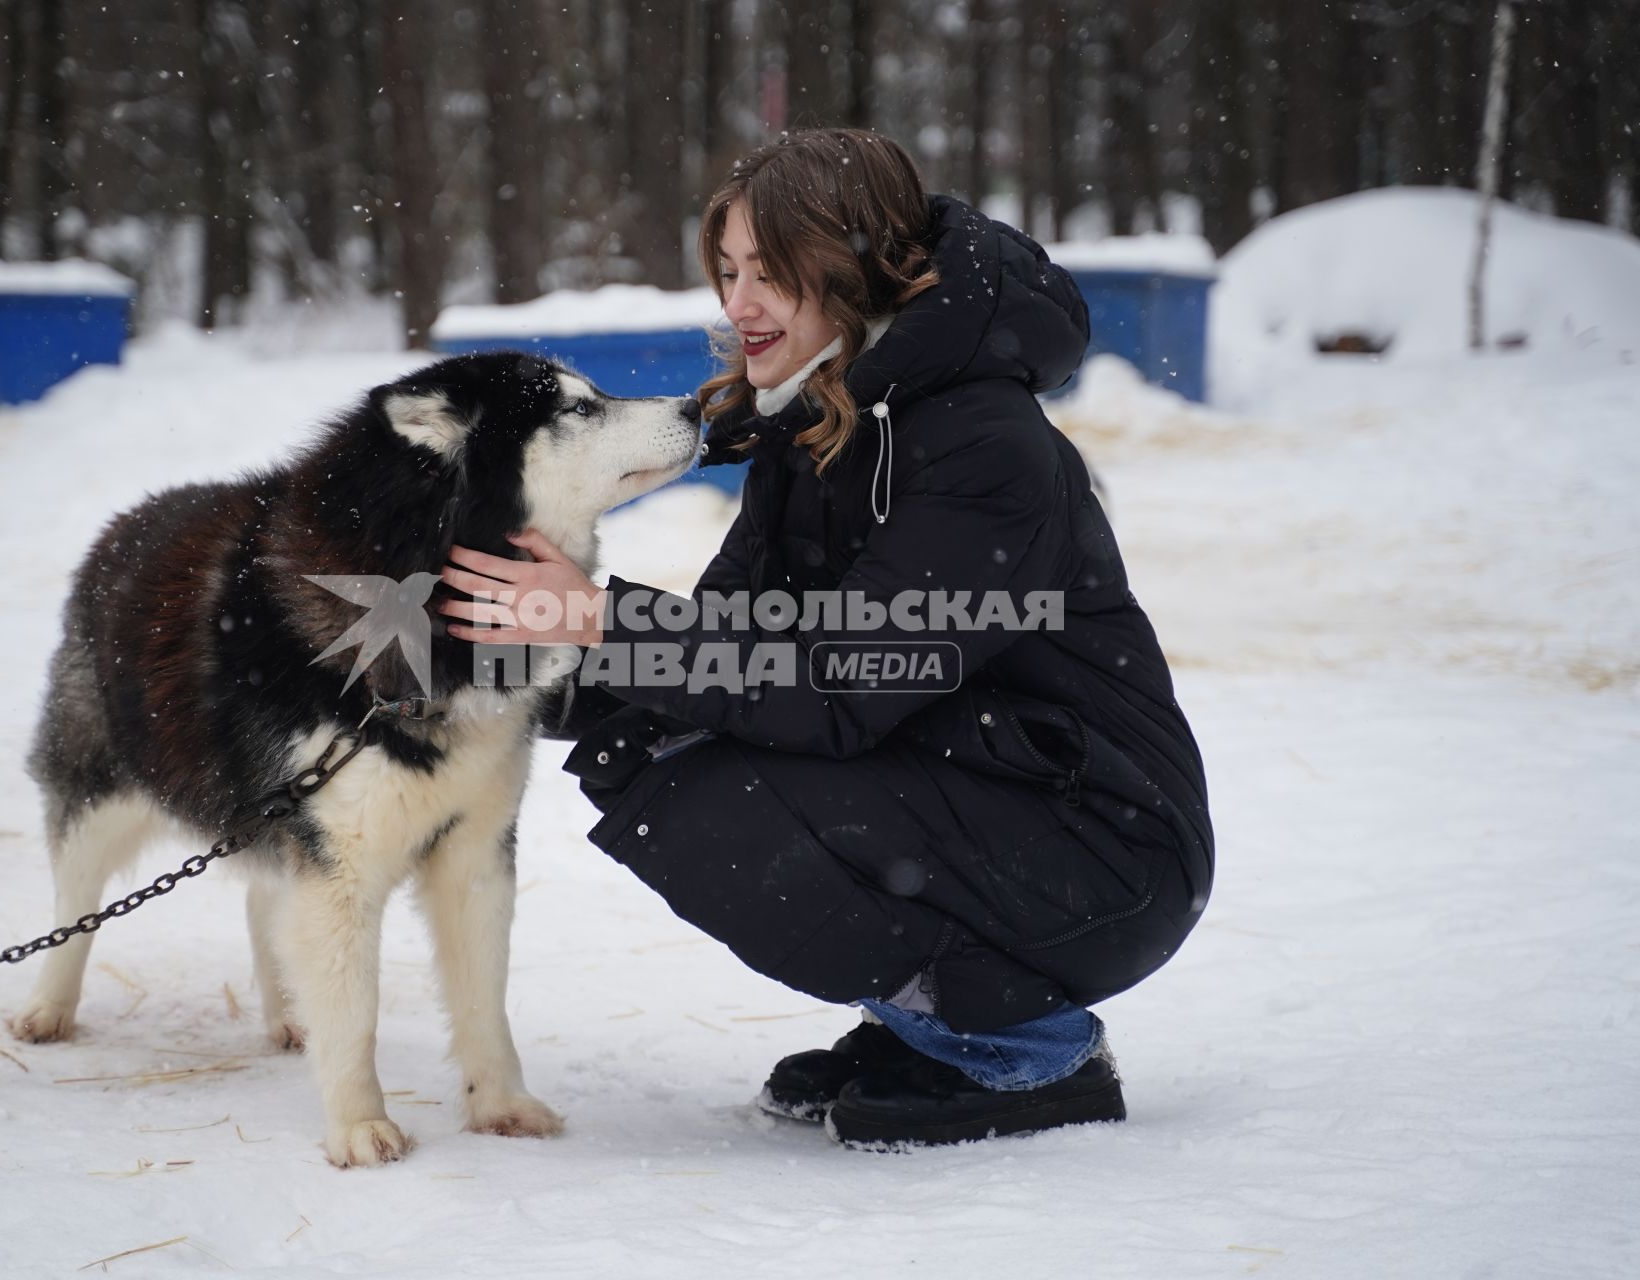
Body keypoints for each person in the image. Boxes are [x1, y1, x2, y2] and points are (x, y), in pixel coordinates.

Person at [437, 128, 1213, 1150]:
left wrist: (602, 617)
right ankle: (939, 1025)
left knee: (720, 791)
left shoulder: (986, 445)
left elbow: (849, 676)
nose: (738, 304)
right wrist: (449, 652)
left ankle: (1025, 1050)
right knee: (654, 755)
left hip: (1104, 847)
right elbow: (715, 653)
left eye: (773, 273)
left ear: (854, 269)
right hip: (988, 794)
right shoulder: (819, 424)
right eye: (727, 271)